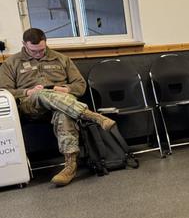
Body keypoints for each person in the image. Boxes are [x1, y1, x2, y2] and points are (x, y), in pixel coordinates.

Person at [0, 28, 116, 186]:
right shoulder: (11, 63)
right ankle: (92, 115)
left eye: (41, 50)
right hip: (31, 106)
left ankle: (70, 166)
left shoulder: (61, 59)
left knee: (64, 114)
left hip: (63, 105)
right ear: (23, 45)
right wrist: (27, 91)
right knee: (41, 94)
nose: (39, 54)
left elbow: (80, 85)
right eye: (34, 51)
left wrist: (67, 89)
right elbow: (4, 91)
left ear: (46, 42)